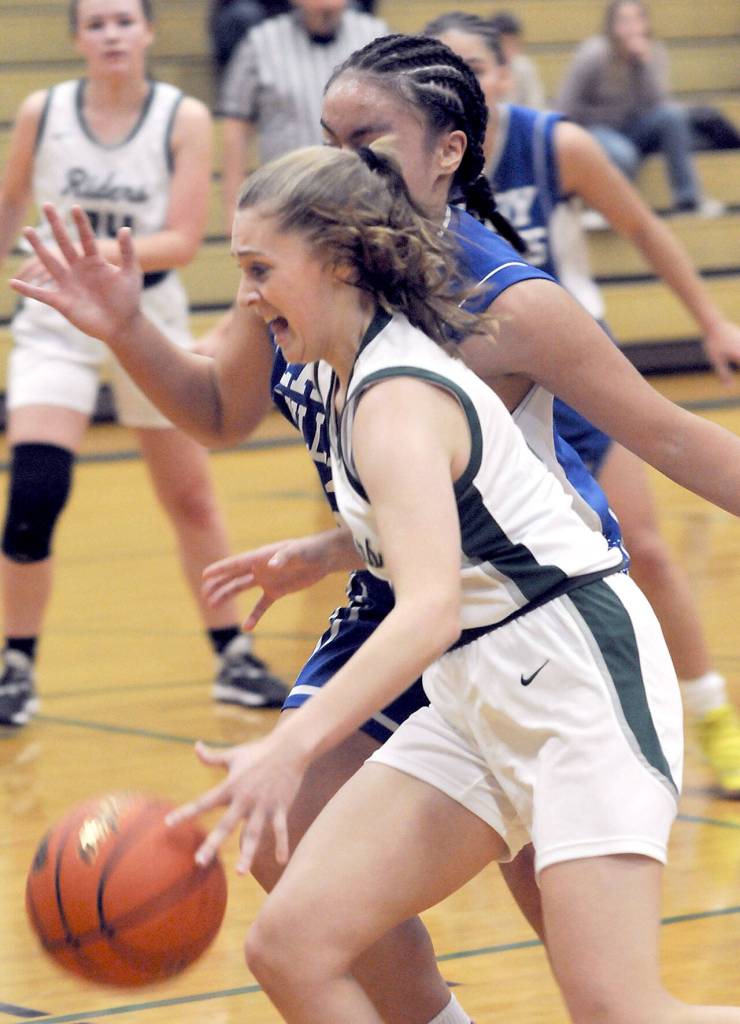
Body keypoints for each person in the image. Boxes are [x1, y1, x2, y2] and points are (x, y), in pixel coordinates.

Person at [13, 33, 740, 1023]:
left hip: (535, 618)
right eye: (328, 138)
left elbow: (667, 437)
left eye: (367, 141)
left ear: (445, 150)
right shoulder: (309, 282)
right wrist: (128, 328)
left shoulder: (486, 308)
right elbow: (234, 418)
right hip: (436, 620)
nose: (340, 163)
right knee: (291, 910)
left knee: (604, 994)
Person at [423, 10, 740, 797]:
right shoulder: (411, 174)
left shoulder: (553, 142)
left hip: (574, 378)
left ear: (504, 73)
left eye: (476, 67)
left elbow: (643, 228)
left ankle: (711, 718)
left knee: (647, 550)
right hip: (479, 392)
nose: (463, 84)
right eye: (443, 71)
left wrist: (711, 321)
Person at [0, 0, 288, 726]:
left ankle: (232, 655)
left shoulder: (181, 117)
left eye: (124, 20)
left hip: (145, 317)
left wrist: (80, 257)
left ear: (150, 31)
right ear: (76, 38)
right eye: (95, 23)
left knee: (189, 499)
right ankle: (16, 668)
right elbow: (9, 207)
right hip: (56, 317)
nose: (111, 34)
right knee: (34, 493)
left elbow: (184, 240)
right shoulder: (44, 109)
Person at [217, 0, 387, 228]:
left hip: (364, 201)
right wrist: (233, 208)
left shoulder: (376, 36)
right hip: (286, 203)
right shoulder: (260, 43)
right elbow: (235, 128)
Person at [557, 0, 723, 215]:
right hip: (594, 129)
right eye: (625, 20)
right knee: (623, 153)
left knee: (673, 116)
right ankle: (606, 209)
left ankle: (689, 199)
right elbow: (566, 105)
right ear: (612, 25)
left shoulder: (654, 53)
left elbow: (659, 103)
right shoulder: (593, 54)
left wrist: (644, 65)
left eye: (637, 19)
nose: (632, 27)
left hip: (633, 128)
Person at [489, 10, 545, 109]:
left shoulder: (524, 67)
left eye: (513, 43)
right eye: (503, 43)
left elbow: (536, 107)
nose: (508, 49)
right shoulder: (482, 70)